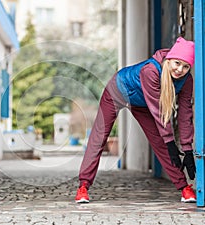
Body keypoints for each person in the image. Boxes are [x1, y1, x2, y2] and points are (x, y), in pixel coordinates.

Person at [75, 37, 197, 203]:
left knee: (160, 142)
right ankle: (83, 186)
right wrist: (171, 142)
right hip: (117, 91)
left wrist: (187, 149)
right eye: (177, 63)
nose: (180, 70)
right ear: (169, 60)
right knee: (99, 137)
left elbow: (185, 114)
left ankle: (184, 188)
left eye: (186, 66)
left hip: (142, 102)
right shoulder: (151, 71)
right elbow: (159, 111)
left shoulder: (186, 80)